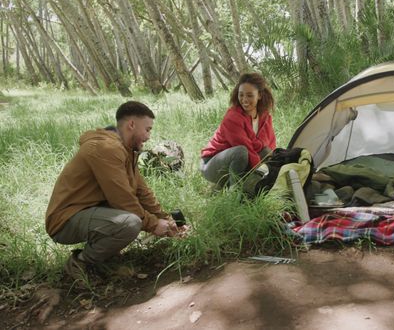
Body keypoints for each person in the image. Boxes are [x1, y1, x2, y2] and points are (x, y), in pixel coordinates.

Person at [46, 101, 180, 282]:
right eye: (147, 130)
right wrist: (154, 224)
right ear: (131, 125)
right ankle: (80, 262)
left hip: (89, 212)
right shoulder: (106, 148)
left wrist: (167, 219)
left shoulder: (126, 150)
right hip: (65, 220)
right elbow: (123, 200)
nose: (148, 136)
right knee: (130, 223)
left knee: (132, 219)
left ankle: (104, 255)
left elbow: (142, 192)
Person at [200, 72, 276, 187]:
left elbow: (269, 145)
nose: (244, 99)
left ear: (259, 95)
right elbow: (247, 149)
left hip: (242, 161)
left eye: (250, 95)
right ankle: (234, 192)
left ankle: (259, 187)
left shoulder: (265, 116)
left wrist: (275, 167)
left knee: (266, 152)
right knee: (241, 151)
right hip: (211, 165)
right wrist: (261, 171)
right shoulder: (233, 117)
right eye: (241, 95)